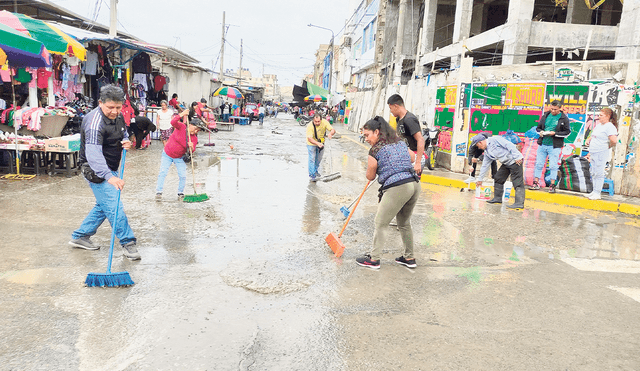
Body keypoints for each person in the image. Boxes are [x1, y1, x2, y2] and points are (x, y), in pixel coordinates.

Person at [68, 85, 140, 260]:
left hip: (110, 167)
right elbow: (93, 156)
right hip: (95, 170)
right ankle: (128, 243)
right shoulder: (94, 123)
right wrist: (109, 177)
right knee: (114, 206)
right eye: (110, 108)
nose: (115, 111)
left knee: (103, 205)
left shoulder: (119, 116)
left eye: (118, 107)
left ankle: (80, 236)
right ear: (100, 103)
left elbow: (123, 134)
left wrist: (126, 141)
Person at [356, 116, 421, 270]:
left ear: (377, 132)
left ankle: (374, 259)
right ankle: (409, 258)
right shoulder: (398, 141)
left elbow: (370, 176)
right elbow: (412, 157)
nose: (366, 139)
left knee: (380, 223)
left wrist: (377, 166)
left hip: (398, 187)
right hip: (414, 184)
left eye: (367, 135)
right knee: (404, 223)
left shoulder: (375, 150)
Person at [155, 109, 200, 201]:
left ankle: (180, 193)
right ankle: (158, 192)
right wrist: (181, 114)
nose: (196, 131)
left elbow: (193, 150)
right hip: (167, 154)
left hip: (179, 157)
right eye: (195, 129)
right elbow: (173, 122)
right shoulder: (181, 127)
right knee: (163, 172)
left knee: (182, 175)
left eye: (198, 130)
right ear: (191, 125)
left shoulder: (194, 138)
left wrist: (191, 147)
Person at [473, 133, 526, 209]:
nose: (479, 148)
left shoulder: (495, 140)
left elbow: (509, 145)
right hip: (506, 163)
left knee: (517, 182)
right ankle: (497, 198)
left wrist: (517, 156)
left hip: (515, 161)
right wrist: (480, 179)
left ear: (480, 142)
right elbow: (485, 165)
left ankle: (519, 203)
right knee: (498, 178)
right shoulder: (487, 151)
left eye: (478, 146)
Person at [530, 100, 571, 193]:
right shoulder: (546, 115)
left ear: (560, 108)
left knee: (553, 165)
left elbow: (567, 132)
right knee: (539, 164)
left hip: (554, 145)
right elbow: (538, 127)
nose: (553, 111)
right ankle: (536, 182)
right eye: (551, 109)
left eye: (555, 109)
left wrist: (555, 133)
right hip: (543, 143)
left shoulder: (564, 118)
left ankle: (552, 184)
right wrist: (540, 132)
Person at [584, 107, 618, 200]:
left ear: (607, 116)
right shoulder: (599, 125)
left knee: (599, 173)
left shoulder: (609, 126)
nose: (599, 117)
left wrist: (608, 146)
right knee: (594, 172)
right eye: (599, 115)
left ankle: (597, 193)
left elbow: (614, 140)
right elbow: (593, 135)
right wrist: (588, 139)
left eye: (601, 115)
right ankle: (594, 191)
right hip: (594, 151)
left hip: (601, 152)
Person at [387, 94, 425, 175]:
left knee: (411, 185)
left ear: (396, 106)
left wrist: (417, 162)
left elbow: (420, 139)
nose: (391, 111)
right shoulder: (399, 119)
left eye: (391, 108)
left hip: (415, 156)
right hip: (407, 156)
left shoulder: (409, 119)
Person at [306, 113, 335, 181]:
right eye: (315, 121)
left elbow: (333, 130)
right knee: (312, 159)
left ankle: (315, 171)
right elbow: (309, 138)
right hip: (311, 144)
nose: (317, 123)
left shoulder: (325, 122)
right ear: (313, 120)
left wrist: (330, 133)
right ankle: (312, 175)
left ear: (321, 120)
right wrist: (317, 143)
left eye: (318, 121)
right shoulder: (310, 126)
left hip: (321, 143)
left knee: (318, 159)